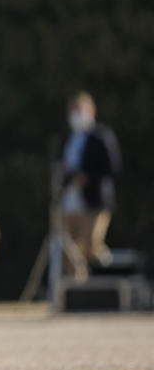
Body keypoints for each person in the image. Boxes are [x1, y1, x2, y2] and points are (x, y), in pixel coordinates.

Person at [55, 91, 121, 278]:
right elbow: (59, 165)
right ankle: (76, 288)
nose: (76, 114)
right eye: (73, 110)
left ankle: (101, 267)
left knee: (90, 244)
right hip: (68, 200)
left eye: (80, 109)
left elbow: (113, 166)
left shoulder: (101, 136)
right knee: (67, 246)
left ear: (92, 111)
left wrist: (88, 178)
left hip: (93, 200)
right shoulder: (66, 138)